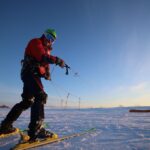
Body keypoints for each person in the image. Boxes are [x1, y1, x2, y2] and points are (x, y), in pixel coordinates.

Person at [0, 28, 66, 141]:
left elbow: (45, 64)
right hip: (30, 73)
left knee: (27, 102)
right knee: (41, 96)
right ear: (44, 35)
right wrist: (57, 60)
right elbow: (42, 57)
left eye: (52, 40)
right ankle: (36, 130)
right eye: (48, 37)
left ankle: (5, 127)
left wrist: (47, 73)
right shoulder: (36, 42)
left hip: (30, 75)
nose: (50, 41)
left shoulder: (46, 50)